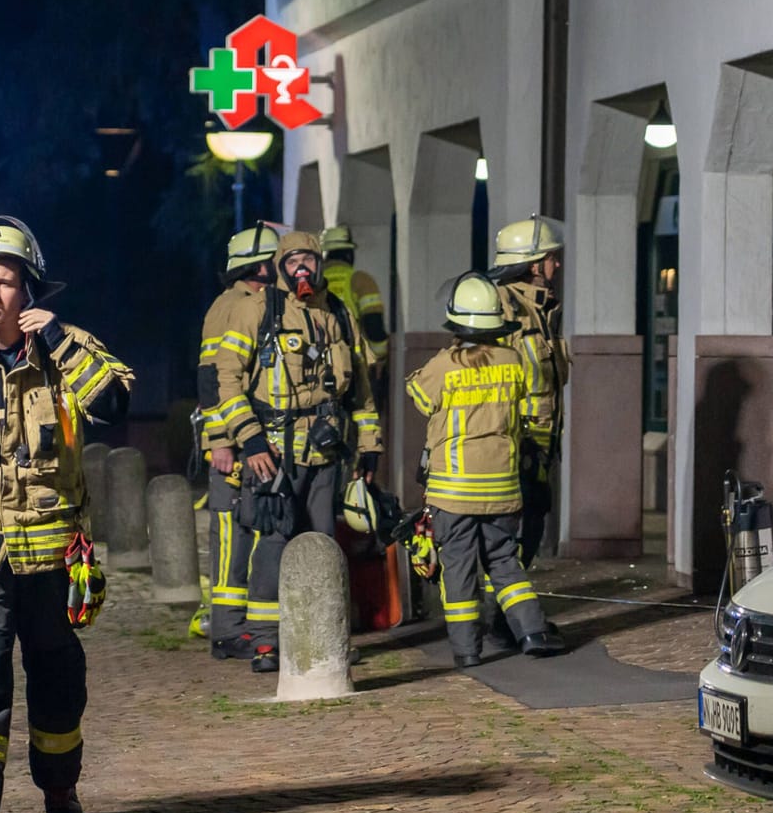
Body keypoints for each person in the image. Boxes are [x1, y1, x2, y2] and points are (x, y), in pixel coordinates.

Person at [0, 216, 133, 813]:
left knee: (55, 672)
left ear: (30, 292)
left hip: (52, 547)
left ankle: (59, 790)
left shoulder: (66, 345)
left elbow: (114, 405)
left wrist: (61, 344)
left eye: (8, 282)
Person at [209, 230, 381, 673]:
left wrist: (370, 447)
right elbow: (225, 381)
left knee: (323, 541)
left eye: (309, 259)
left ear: (320, 264)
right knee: (274, 541)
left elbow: (360, 390)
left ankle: (323, 634)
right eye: (293, 260)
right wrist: (248, 441)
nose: (301, 268)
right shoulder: (256, 311)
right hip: (272, 451)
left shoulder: (338, 313)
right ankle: (267, 642)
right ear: (280, 266)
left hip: (325, 454)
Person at [406, 272, 568, 670]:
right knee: (504, 562)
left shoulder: (444, 365)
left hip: (453, 489)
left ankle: (467, 650)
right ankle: (532, 632)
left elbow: (419, 397)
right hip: (503, 487)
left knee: (459, 567)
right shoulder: (512, 361)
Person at [196, 224, 280, 661]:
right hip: (230, 439)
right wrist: (221, 441)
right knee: (231, 535)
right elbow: (212, 379)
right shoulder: (233, 306)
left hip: (242, 435)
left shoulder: (251, 303)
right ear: (261, 266)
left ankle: (237, 626)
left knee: (247, 532)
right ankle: (228, 631)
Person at [490, 216, 569, 568]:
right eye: (552, 257)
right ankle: (502, 618)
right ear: (534, 264)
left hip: (539, 447)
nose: (557, 264)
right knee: (511, 534)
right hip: (515, 444)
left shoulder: (543, 309)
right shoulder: (506, 308)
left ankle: (508, 616)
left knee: (531, 527)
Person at [320, 224, 391, 370]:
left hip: (319, 363)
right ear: (348, 253)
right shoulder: (360, 280)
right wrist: (381, 355)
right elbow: (373, 322)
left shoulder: (312, 283)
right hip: (354, 365)